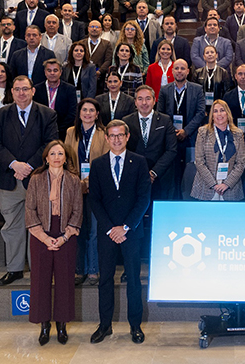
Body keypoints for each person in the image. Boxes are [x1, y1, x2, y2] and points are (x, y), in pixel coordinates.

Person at [0, 76, 60, 287]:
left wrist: (28, 166)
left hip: (37, 178)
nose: (21, 93)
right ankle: (15, 269)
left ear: (33, 91)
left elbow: (50, 144)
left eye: (25, 89)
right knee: (12, 226)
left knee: (38, 226)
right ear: (11, 92)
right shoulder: (1, 114)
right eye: (17, 89)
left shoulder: (47, 114)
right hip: (10, 179)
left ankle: (38, 269)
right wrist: (14, 164)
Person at [88, 120, 152, 344]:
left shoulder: (140, 162)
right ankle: (104, 325)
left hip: (130, 231)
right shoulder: (97, 164)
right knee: (105, 279)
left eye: (120, 135)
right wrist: (110, 228)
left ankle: (135, 326)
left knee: (134, 280)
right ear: (106, 138)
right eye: (112, 136)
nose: (116, 139)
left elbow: (144, 198)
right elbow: (94, 200)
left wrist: (125, 227)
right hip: (107, 232)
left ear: (127, 137)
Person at [24, 140, 83, 345]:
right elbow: (30, 210)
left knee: (65, 280)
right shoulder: (36, 179)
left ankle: (61, 324)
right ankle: (44, 325)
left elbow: (78, 211)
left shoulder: (74, 180)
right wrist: (44, 237)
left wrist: (65, 236)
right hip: (41, 233)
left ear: (66, 158)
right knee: (40, 280)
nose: (57, 157)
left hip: (66, 233)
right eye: (53, 153)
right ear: (46, 158)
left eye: (60, 154)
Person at [64, 98, 110, 287]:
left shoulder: (103, 133)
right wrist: (78, 182)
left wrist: (88, 182)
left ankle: (93, 269)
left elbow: (106, 161)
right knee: (77, 229)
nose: (88, 113)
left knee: (93, 230)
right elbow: (66, 159)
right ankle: (78, 269)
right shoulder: (70, 132)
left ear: (97, 114)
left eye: (92, 110)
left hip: (96, 188)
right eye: (85, 110)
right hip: (74, 188)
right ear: (79, 112)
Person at [156, 60, 205, 197]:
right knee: (173, 173)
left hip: (191, 138)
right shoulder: (165, 90)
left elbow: (201, 113)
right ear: (172, 71)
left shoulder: (197, 89)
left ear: (188, 71)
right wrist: (172, 131)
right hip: (170, 138)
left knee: (190, 172)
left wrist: (186, 131)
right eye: (176, 68)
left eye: (182, 68)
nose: (179, 71)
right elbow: (160, 113)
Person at [125, 84, 179, 201]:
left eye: (148, 98)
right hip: (135, 177)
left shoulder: (165, 120)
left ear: (155, 101)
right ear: (135, 102)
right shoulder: (126, 121)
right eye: (140, 99)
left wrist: (153, 173)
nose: (144, 103)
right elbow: (125, 150)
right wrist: (140, 173)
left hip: (161, 177)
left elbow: (171, 150)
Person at [191, 100, 245, 201]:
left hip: (230, 188)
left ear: (228, 113)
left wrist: (227, 184)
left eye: (222, 110)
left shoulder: (238, 134)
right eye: (215, 111)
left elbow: (241, 163)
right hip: (206, 186)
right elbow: (199, 162)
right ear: (212, 116)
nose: (219, 114)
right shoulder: (203, 132)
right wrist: (213, 184)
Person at [34, 59, 78, 135]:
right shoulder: (37, 89)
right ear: (45, 72)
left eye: (55, 70)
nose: (52, 73)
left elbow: (72, 113)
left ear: (60, 72)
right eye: (49, 70)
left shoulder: (70, 89)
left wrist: (58, 129)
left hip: (63, 131)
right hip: (41, 130)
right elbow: (35, 111)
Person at [194, 45, 233, 110]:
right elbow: (194, 94)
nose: (210, 54)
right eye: (207, 53)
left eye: (212, 52)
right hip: (202, 109)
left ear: (216, 55)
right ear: (204, 56)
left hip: (219, 108)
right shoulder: (197, 73)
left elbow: (227, 92)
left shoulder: (223, 72)